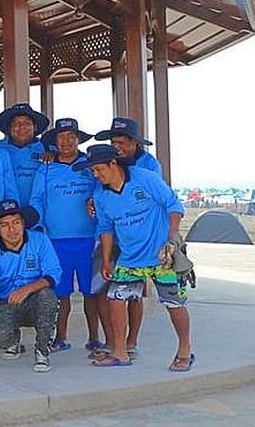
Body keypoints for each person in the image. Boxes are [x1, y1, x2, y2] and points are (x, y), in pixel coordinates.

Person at [74, 145, 193, 371]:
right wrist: (107, 260)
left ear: (113, 164)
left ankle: (185, 350)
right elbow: (106, 227)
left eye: (99, 169)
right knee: (116, 298)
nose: (95, 175)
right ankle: (120, 351)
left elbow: (173, 205)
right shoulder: (100, 194)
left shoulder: (145, 178)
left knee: (174, 303)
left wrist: (172, 239)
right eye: (92, 171)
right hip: (129, 258)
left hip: (162, 257)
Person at [29, 118, 102, 353]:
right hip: (56, 241)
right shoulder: (46, 167)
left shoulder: (90, 165)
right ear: (55, 142)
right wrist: (38, 226)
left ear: (78, 139)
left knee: (92, 293)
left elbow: (102, 191)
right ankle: (60, 337)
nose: (67, 141)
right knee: (61, 294)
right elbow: (36, 199)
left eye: (71, 136)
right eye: (61, 137)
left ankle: (94, 338)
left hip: (88, 239)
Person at [91, 116, 160, 360]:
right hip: (108, 236)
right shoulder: (106, 163)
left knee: (134, 294)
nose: (117, 146)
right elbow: (99, 190)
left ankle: (131, 341)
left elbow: (155, 200)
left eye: (122, 142)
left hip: (139, 244)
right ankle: (112, 341)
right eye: (114, 142)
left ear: (135, 143)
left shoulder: (149, 165)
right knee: (101, 288)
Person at [0, 200, 61, 373]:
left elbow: (54, 274)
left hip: (35, 300)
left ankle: (42, 350)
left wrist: (28, 289)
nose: (12, 230)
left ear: (23, 223)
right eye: (5, 225)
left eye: (16, 223)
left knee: (48, 296)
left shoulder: (40, 240)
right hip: (7, 303)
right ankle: (13, 340)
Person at [0, 103, 50, 203]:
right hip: (8, 212)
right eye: (16, 124)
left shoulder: (47, 148)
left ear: (35, 127)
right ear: (9, 128)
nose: (22, 127)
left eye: (27, 123)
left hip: (39, 211)